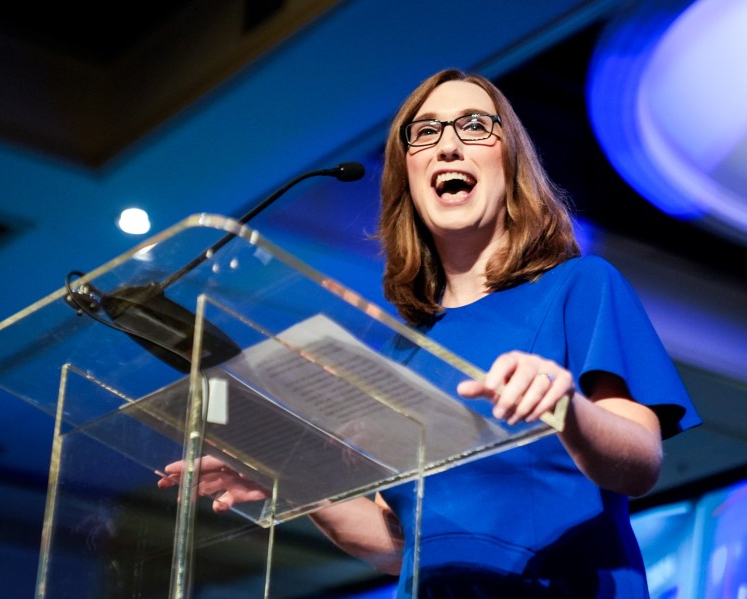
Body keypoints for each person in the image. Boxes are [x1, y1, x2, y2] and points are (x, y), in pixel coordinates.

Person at [159, 68, 702, 598]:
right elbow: (400, 545)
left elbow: (640, 463)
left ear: (510, 162)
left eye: (474, 126)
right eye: (426, 133)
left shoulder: (579, 287)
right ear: (408, 176)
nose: (448, 146)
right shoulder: (397, 350)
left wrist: (565, 407)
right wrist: (289, 481)